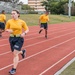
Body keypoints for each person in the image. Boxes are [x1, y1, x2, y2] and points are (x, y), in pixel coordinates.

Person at [5, 9, 29, 75]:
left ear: (18, 14)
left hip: (19, 38)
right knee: (14, 52)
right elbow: (6, 29)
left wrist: (24, 33)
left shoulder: (22, 22)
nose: (12, 15)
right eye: (11, 14)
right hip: (12, 38)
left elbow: (27, 29)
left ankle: (14, 69)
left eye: (14, 13)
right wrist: (8, 30)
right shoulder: (9, 21)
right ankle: (22, 52)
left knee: (15, 53)